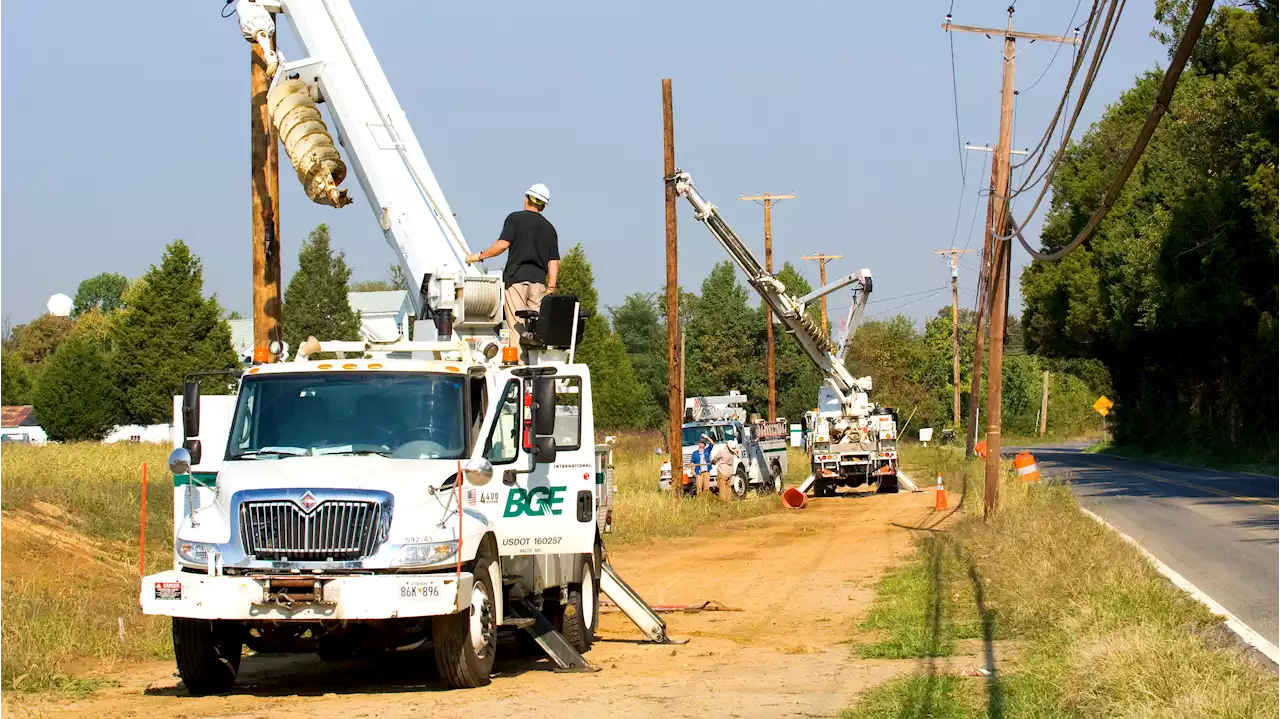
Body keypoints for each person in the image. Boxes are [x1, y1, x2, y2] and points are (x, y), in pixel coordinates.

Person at [465, 184, 559, 356]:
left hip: (516, 279)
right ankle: (534, 367)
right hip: (539, 283)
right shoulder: (549, 228)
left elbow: (502, 245)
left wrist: (478, 256)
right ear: (543, 206)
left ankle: (519, 368)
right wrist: (551, 287)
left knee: (517, 326)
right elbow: (553, 261)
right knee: (535, 329)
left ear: (526, 199)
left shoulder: (515, 219)